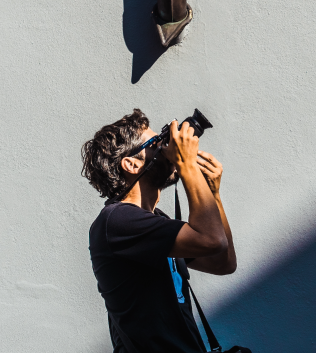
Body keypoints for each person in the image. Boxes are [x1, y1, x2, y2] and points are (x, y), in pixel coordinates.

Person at [82, 109, 237, 352]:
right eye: (156, 143)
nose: (166, 147)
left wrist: (213, 194)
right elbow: (212, 240)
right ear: (131, 163)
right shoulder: (117, 221)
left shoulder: (152, 221)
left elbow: (223, 262)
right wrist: (186, 165)